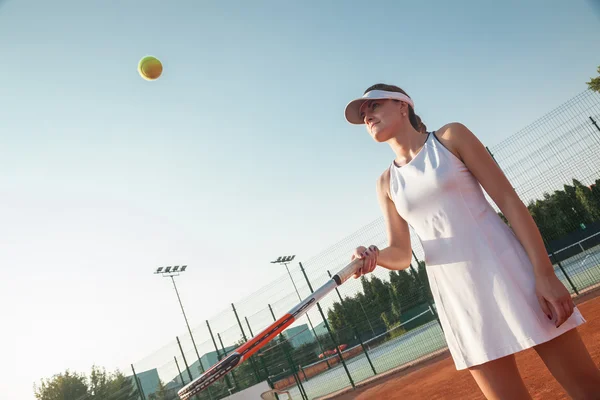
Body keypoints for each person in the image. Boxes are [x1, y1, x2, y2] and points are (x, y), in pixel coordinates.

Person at [344, 84, 600, 399]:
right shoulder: (386, 182)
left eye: (374, 106)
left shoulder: (451, 138)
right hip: (459, 297)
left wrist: (544, 273)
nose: (367, 115)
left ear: (402, 106)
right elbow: (401, 253)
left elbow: (509, 202)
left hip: (511, 273)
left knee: (587, 386)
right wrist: (375, 257)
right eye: (362, 113)